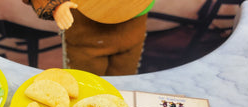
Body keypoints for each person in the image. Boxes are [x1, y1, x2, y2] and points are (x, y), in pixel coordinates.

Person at [22, 0, 155, 76]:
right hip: (87, 37)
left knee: (124, 85)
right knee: (85, 86)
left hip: (132, 30)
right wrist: (55, 5)